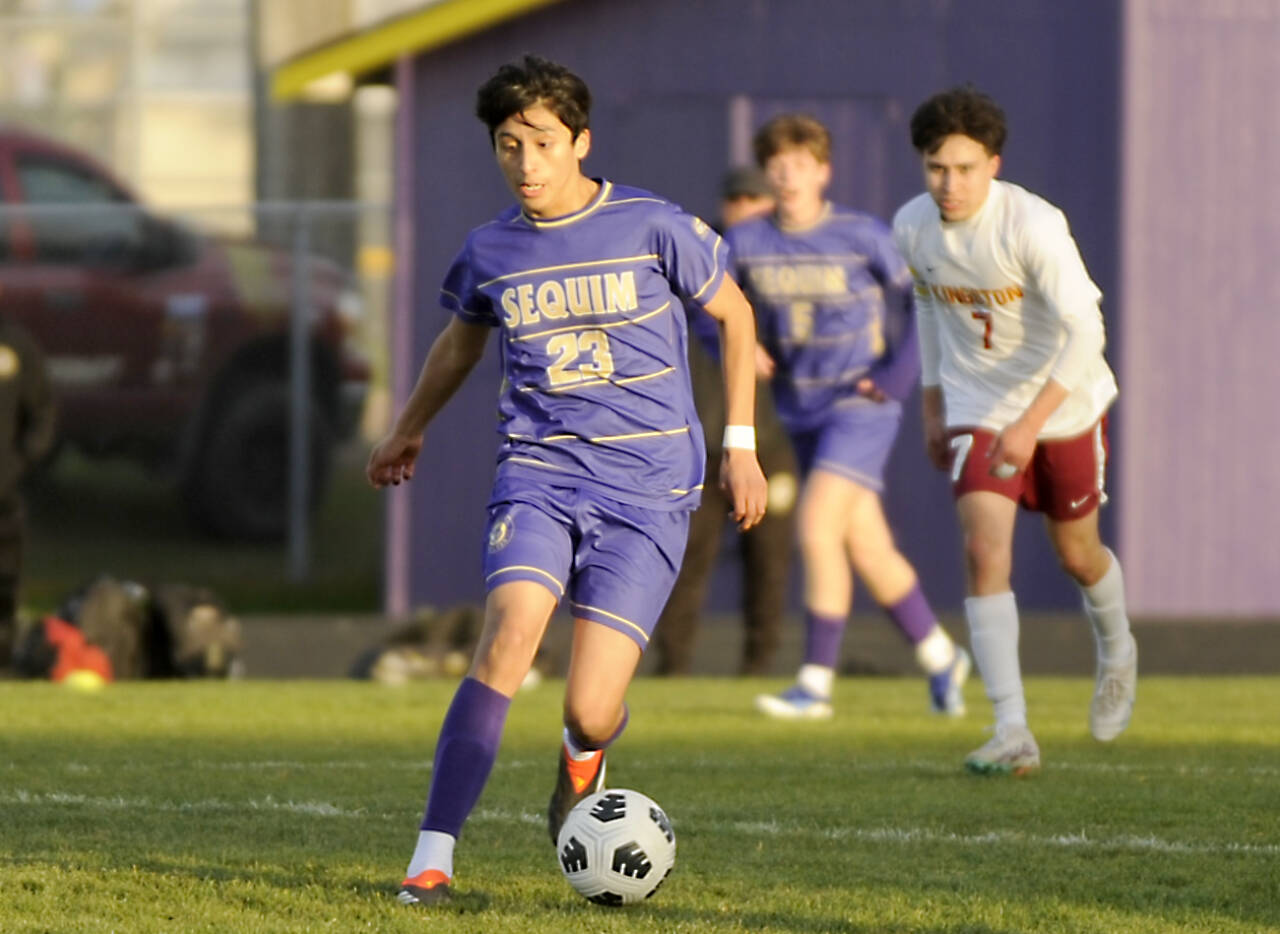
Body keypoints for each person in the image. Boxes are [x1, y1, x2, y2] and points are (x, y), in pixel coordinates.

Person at [366, 54, 767, 907]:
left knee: (590, 708)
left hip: (651, 491)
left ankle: (581, 761)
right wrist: (407, 428)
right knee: (509, 635)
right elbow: (460, 343)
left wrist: (740, 445)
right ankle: (431, 858)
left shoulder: (654, 226)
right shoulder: (490, 250)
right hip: (541, 476)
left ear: (580, 141)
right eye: (508, 146)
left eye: (542, 143)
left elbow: (734, 316)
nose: (526, 163)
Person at [892, 86, 1136, 775]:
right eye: (937, 167)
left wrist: (1032, 424)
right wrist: (935, 407)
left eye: (965, 168)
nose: (950, 183)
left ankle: (1117, 648)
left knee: (1077, 555)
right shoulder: (912, 227)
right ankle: (1011, 730)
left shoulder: (1031, 224)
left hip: (1063, 405)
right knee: (983, 548)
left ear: (993, 165)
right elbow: (930, 311)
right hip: (977, 404)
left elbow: (1088, 329)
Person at [726, 113, 970, 721]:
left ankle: (815, 683)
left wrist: (893, 378)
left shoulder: (861, 234)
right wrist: (737, 342)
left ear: (823, 171)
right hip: (802, 407)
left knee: (816, 529)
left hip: (860, 406)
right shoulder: (748, 241)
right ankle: (942, 656)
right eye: (777, 166)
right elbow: (711, 308)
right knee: (867, 545)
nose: (788, 177)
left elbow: (926, 300)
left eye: (800, 165)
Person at [653, 167, 798, 677]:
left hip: (770, 439)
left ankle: (759, 666)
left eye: (754, 198)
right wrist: (738, 334)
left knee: (769, 562)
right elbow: (703, 318)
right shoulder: (698, 257)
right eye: (735, 199)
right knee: (687, 558)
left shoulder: (789, 266)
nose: (744, 208)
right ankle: (673, 665)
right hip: (703, 441)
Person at [0, 313, 55, 671]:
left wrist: (19, 461)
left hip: (1, 494)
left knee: (4, 582)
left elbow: (42, 410)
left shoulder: (15, 345)